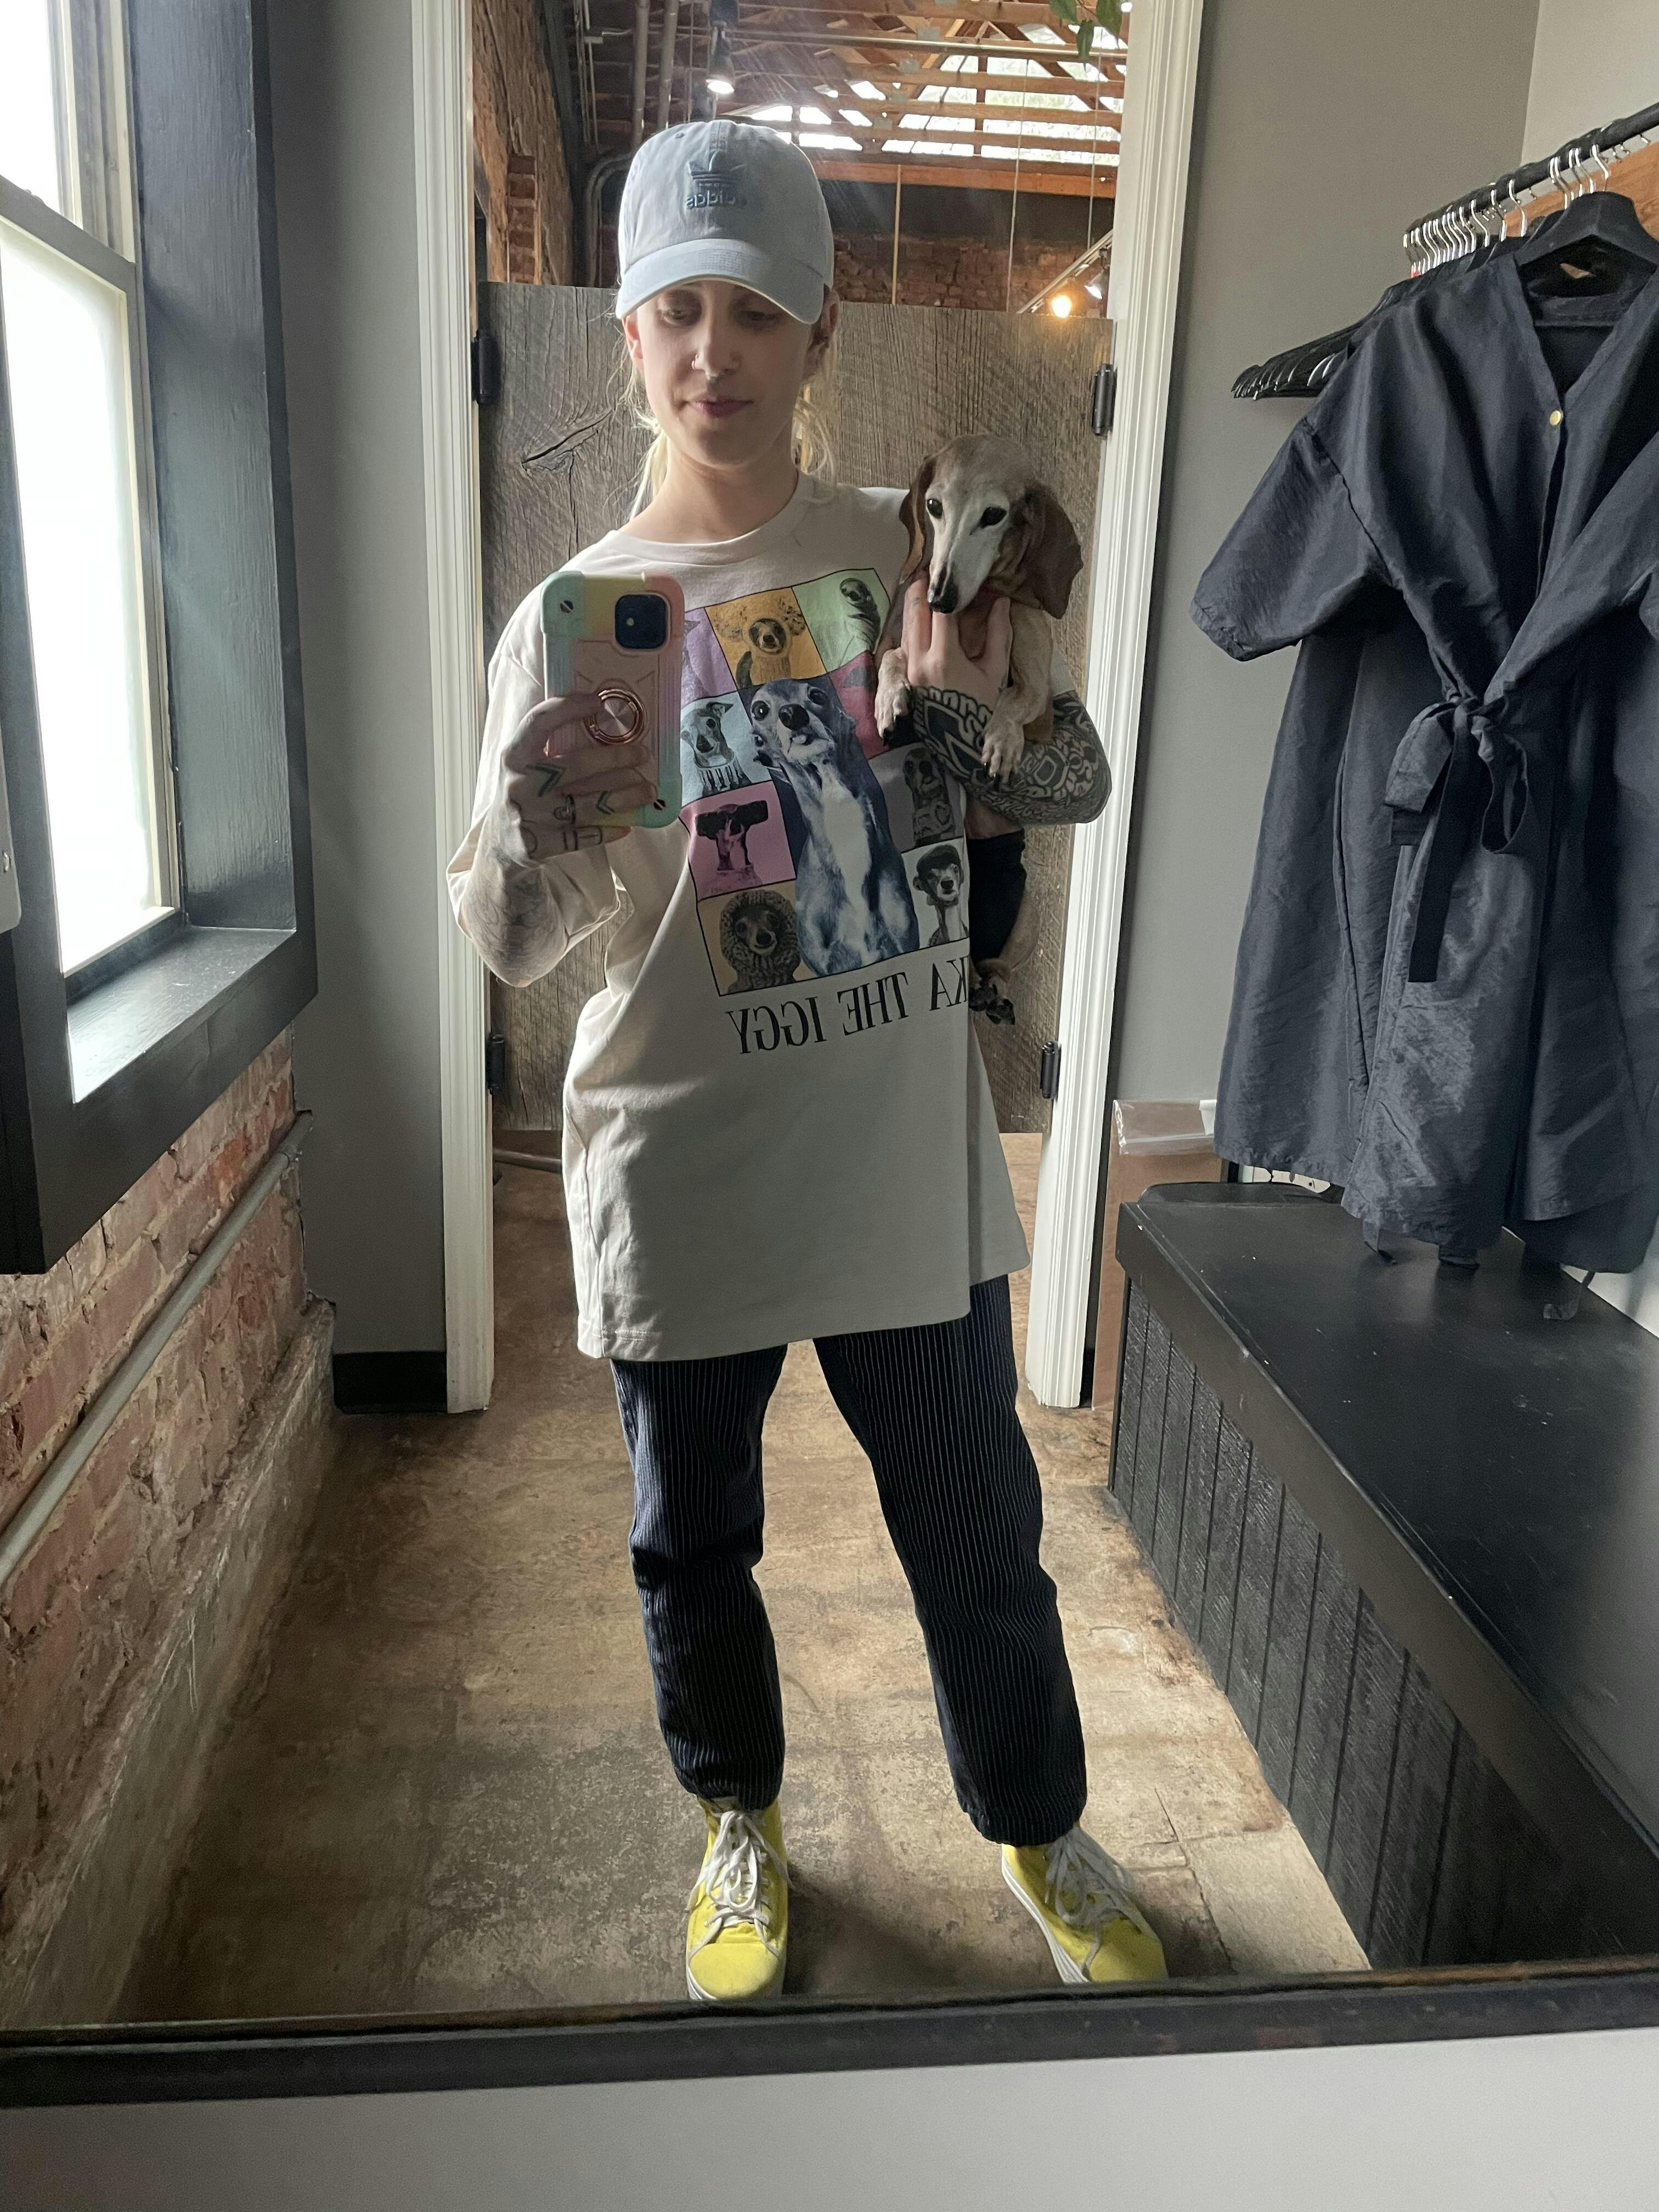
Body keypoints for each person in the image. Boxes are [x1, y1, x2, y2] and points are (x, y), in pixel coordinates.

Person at [448, 120, 1165, 2004]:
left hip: (895, 1165)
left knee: (979, 1535)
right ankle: (739, 1820)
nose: (717, 352)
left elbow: (1065, 777)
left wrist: (983, 722)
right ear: (628, 335)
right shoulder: (569, 619)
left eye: (755, 311)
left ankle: (1036, 1825)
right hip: (677, 1168)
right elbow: (520, 945)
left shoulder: (907, 548)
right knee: (693, 1549)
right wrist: (522, 829)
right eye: (679, 311)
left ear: (818, 328)